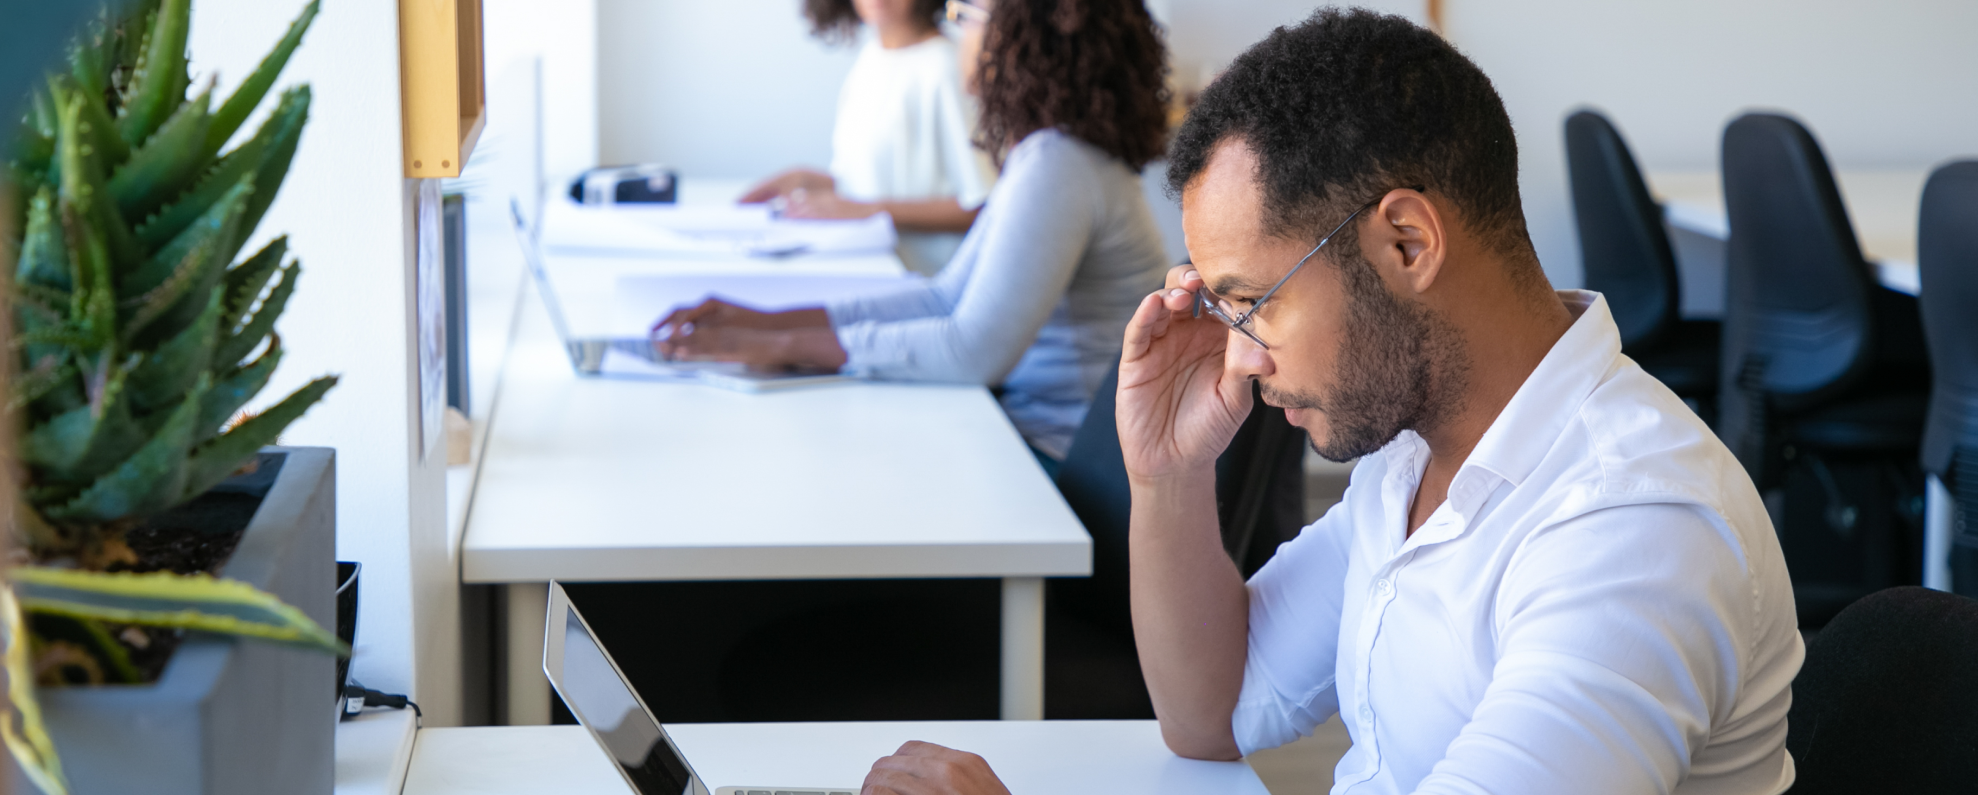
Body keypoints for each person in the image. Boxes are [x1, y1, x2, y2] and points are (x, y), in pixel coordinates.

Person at [849, 9, 1804, 795]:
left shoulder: (1634, 527)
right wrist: (1171, 475)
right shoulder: (1416, 445)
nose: (1243, 357)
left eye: (1255, 302)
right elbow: (1211, 712)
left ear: (1406, 245)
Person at [662, 0, 1171, 467]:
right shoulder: (1051, 155)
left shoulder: (1060, 165)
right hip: (1035, 433)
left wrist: (787, 347)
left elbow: (973, 350)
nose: (959, 32)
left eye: (967, 15)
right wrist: (767, 325)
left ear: (1021, 35)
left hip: (1063, 461)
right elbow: (944, 298)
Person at [741, 0, 999, 275]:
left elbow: (984, 206)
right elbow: (873, 185)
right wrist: (810, 181)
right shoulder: (873, 58)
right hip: (872, 271)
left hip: (924, 282)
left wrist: (870, 211)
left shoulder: (945, 69)